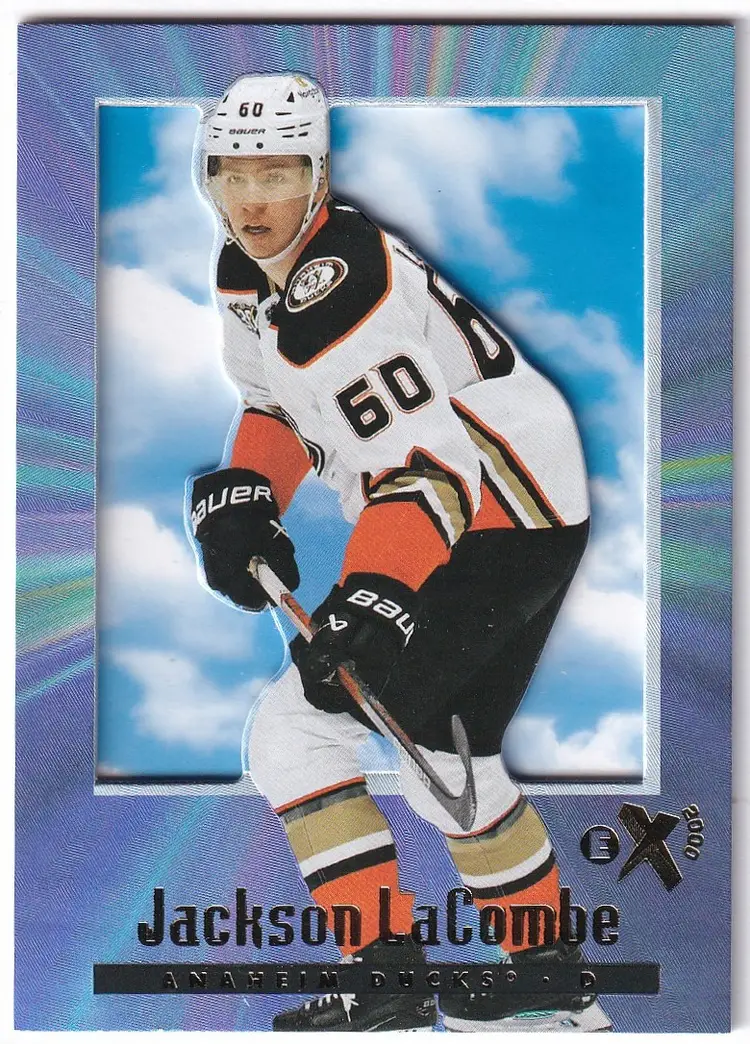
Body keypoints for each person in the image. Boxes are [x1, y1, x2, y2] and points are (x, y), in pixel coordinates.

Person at [189, 73, 610, 1032]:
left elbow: (431, 470)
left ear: (318, 173)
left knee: (296, 734)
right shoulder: (249, 270)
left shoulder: (340, 296)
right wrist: (251, 494)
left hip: (493, 517)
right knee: (446, 755)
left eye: (277, 172)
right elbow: (276, 403)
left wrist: (376, 596)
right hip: (533, 502)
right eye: (231, 173)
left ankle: (387, 986)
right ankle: (549, 977)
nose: (252, 199)